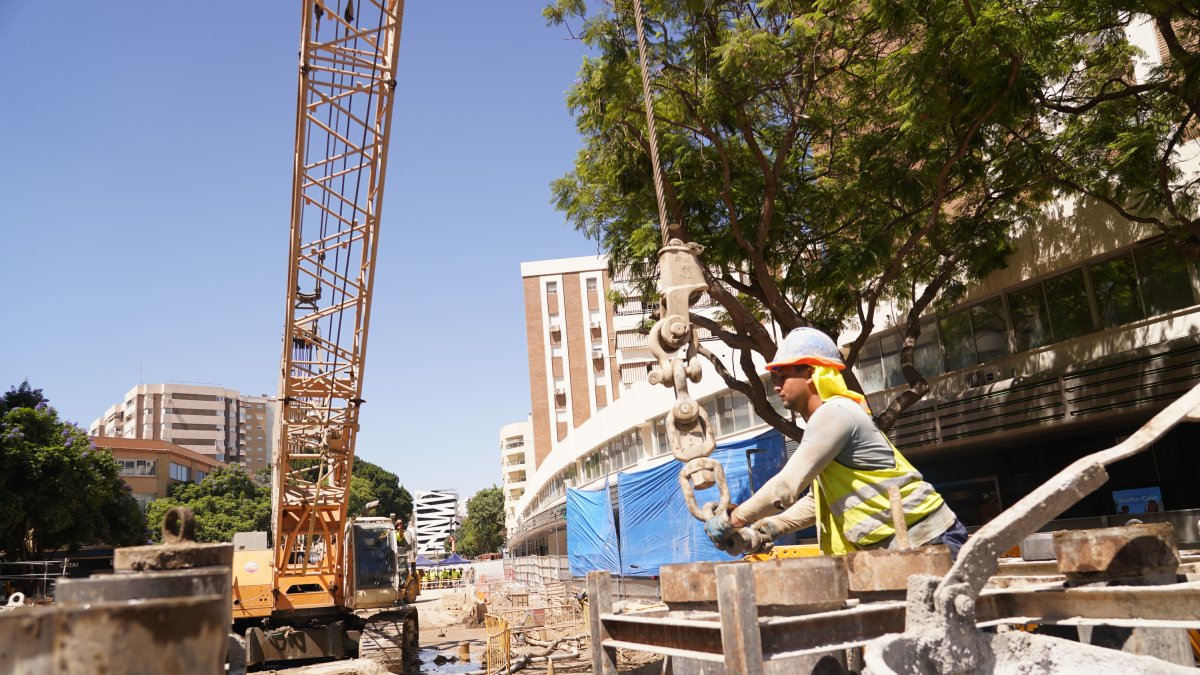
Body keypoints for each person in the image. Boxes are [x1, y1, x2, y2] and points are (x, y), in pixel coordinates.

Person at [704, 327, 968, 559]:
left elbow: (784, 487)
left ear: (810, 373)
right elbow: (817, 503)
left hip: (927, 540)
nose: (775, 386)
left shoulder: (835, 413)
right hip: (908, 544)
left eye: (781, 376)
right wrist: (770, 527)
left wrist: (733, 519)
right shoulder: (827, 425)